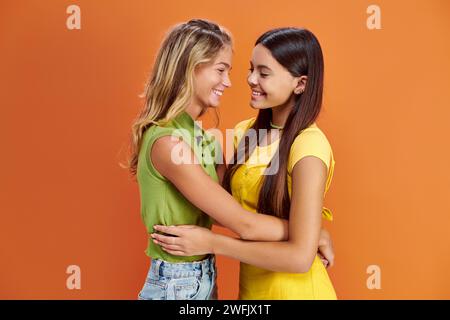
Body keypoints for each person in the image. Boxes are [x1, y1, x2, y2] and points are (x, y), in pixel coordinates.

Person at [151, 27, 337, 300]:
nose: (250, 79)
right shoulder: (245, 133)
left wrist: (214, 243)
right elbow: (221, 208)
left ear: (300, 84)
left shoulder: (308, 147)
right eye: (251, 69)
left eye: (264, 73)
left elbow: (299, 258)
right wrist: (313, 233)